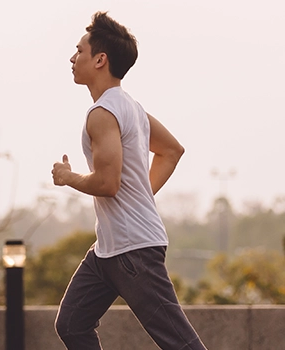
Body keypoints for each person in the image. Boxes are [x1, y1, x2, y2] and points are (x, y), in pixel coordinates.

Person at [51, 11, 207, 350]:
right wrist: (140, 198)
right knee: (72, 324)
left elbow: (108, 184)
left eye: (79, 50)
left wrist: (67, 177)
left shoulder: (103, 114)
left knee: (180, 343)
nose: (72, 57)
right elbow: (171, 151)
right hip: (108, 251)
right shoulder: (131, 108)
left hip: (133, 250)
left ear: (100, 60)